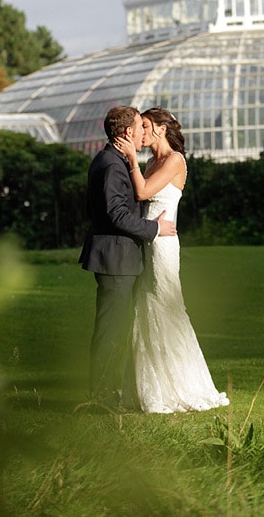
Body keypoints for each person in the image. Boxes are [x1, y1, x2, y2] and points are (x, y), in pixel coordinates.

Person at [114, 107, 229, 413]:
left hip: (163, 245)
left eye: (147, 125)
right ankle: (149, 386)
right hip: (146, 241)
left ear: (162, 129)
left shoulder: (175, 160)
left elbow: (142, 192)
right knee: (144, 308)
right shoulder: (151, 161)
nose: (142, 131)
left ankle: (183, 386)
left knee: (167, 307)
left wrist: (130, 159)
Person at [78, 105, 177, 412]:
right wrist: (155, 228)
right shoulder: (111, 164)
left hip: (119, 258)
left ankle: (108, 394)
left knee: (116, 327)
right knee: (111, 329)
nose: (142, 133)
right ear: (127, 132)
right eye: (139, 128)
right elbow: (116, 215)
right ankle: (103, 399)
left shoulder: (114, 160)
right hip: (116, 260)